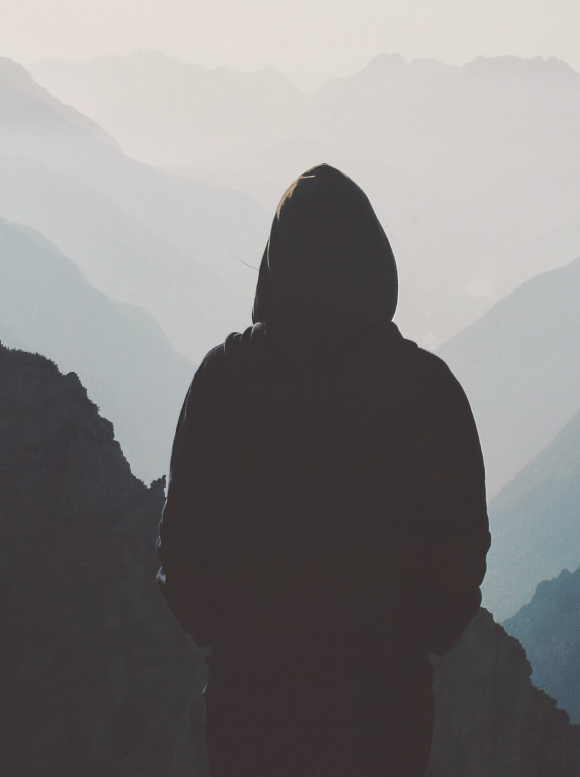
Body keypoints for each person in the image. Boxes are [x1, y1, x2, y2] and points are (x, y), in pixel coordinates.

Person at [157, 163, 490, 777]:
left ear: (274, 265)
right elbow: (461, 557)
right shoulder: (426, 392)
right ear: (375, 265)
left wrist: (238, 637)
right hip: (385, 718)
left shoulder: (223, 382)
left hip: (252, 713)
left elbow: (184, 558)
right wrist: (406, 642)